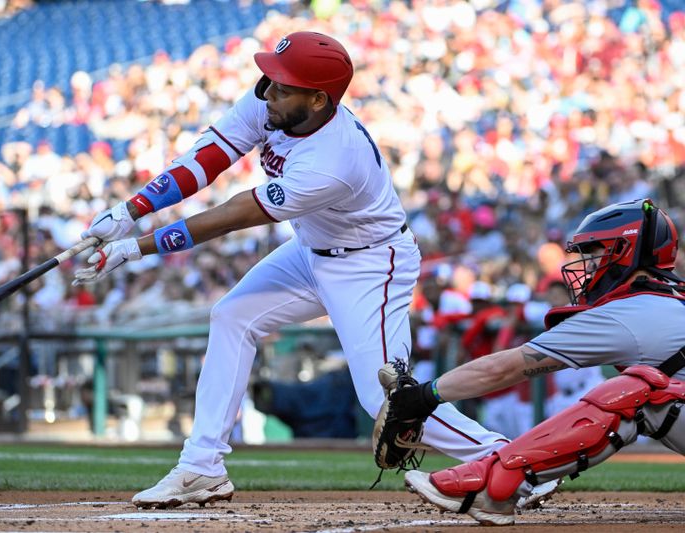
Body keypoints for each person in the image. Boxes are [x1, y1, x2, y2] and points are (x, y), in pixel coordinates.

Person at [74, 31, 516, 510]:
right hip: (312, 250)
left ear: (319, 98)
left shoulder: (334, 160)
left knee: (386, 401)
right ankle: (201, 467)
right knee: (232, 316)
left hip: (370, 265)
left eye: (283, 86)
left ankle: (509, 460)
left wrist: (137, 248)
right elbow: (210, 156)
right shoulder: (275, 98)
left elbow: (239, 212)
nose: (268, 91)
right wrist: (132, 208)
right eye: (271, 79)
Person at [393, 198, 685, 526]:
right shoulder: (667, 301)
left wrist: (423, 397)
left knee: (638, 392)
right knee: (654, 392)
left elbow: (502, 368)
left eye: (594, 253)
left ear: (624, 251)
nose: (586, 265)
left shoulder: (631, 311)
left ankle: (497, 486)